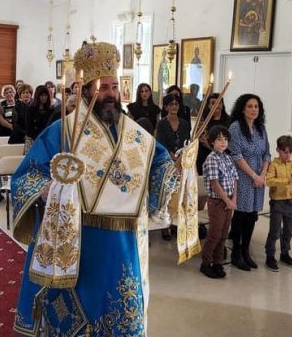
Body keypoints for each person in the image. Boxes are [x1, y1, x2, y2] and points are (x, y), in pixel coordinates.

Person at [10, 41, 179, 336]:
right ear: (86, 90)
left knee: (120, 314)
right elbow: (27, 176)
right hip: (77, 238)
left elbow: (160, 163)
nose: (111, 94)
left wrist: (177, 169)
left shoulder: (136, 135)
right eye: (103, 88)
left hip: (124, 242)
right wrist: (46, 189)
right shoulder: (62, 130)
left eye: (114, 87)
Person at [228, 93, 271, 271]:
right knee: (241, 215)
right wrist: (254, 176)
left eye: (256, 106)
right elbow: (236, 156)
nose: (254, 109)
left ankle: (246, 250)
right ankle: (236, 252)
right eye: (250, 106)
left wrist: (262, 175)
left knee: (252, 215)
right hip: (243, 177)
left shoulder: (261, 128)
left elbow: (267, 154)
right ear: (242, 109)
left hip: (258, 180)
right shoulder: (235, 128)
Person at [199, 125, 237, 279]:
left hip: (228, 203)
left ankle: (218, 262)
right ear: (212, 142)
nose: (223, 142)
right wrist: (227, 200)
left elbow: (235, 180)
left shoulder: (228, 158)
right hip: (217, 202)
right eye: (219, 139)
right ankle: (206, 263)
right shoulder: (211, 159)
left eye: (225, 139)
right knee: (214, 234)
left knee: (223, 234)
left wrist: (233, 200)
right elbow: (215, 183)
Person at [154, 93, 191, 241]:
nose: (174, 107)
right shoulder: (162, 123)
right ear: (166, 107)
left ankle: (176, 222)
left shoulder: (185, 124)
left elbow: (187, 143)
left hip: (182, 162)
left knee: (181, 195)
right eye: (171, 104)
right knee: (168, 194)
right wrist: (173, 158)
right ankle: (165, 225)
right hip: (167, 162)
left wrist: (181, 158)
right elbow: (161, 143)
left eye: (176, 104)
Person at [263, 135, 292, 272]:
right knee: (275, 230)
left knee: (289, 230)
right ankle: (270, 256)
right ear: (278, 150)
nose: (288, 155)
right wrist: (288, 180)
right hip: (277, 203)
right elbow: (269, 181)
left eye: (290, 152)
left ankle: (285, 253)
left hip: (291, 202)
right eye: (285, 152)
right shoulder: (273, 165)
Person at [195, 94, 229, 175]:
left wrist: (211, 146)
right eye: (213, 103)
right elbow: (202, 140)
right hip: (204, 158)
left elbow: (229, 141)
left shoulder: (229, 121)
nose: (217, 105)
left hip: (222, 159)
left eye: (219, 103)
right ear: (208, 105)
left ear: (222, 105)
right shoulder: (203, 120)